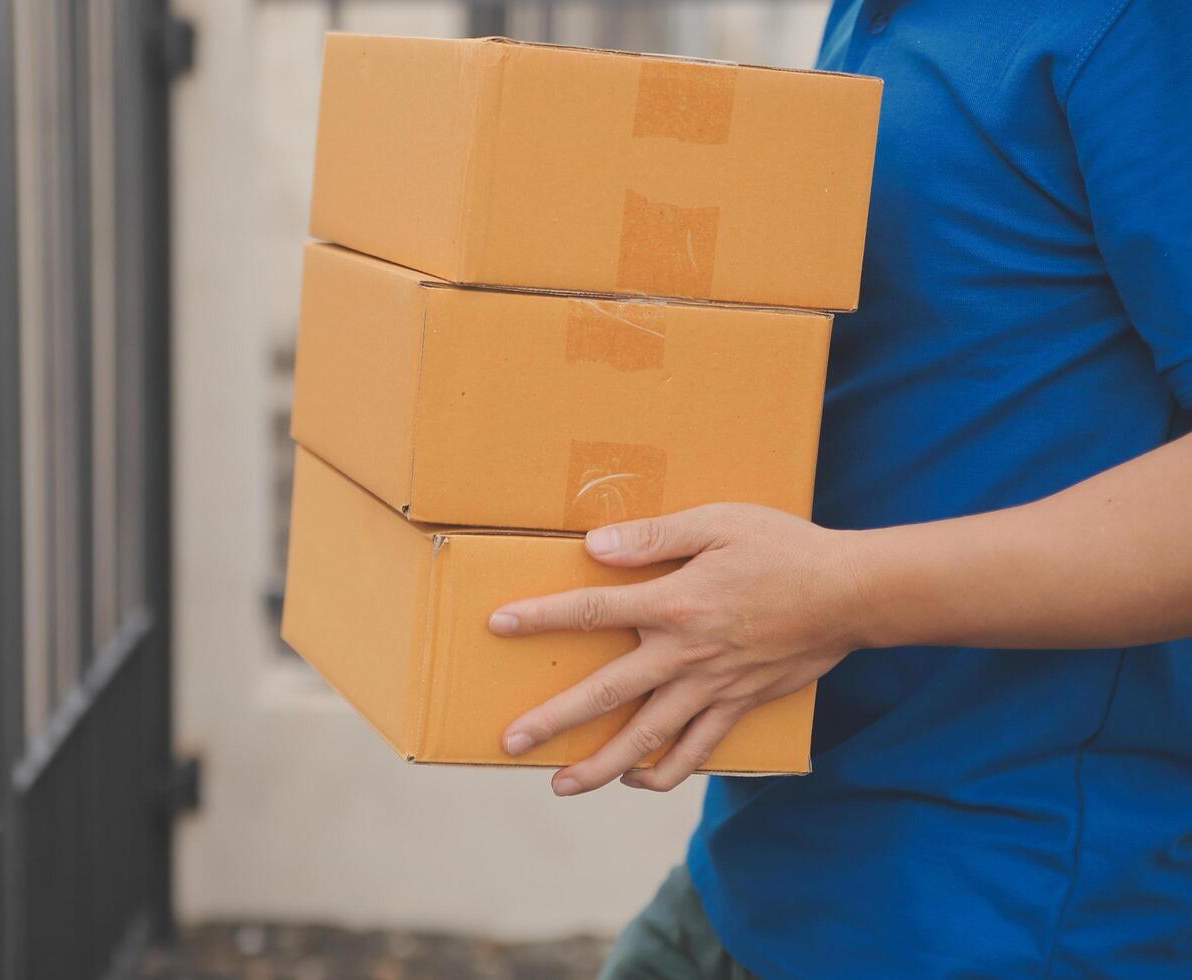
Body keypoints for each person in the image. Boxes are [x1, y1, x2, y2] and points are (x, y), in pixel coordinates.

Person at [488, 1, 1192, 976]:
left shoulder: (1138, 27)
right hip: (761, 862)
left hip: (1001, 906)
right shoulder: (873, 13)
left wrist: (837, 591)